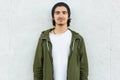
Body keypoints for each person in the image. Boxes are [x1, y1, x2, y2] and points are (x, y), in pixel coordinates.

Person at [33, 2, 88, 80]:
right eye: (57, 13)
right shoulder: (44, 38)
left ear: (68, 16)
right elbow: (38, 67)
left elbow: (83, 68)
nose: (61, 15)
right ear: (53, 17)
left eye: (64, 13)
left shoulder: (77, 39)